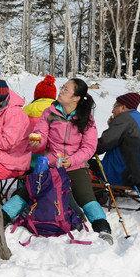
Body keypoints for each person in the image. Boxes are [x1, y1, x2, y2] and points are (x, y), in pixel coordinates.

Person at [30, 78, 113, 244]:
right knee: (28, 192)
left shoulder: (86, 119)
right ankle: (4, 218)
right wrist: (37, 142)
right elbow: (41, 134)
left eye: (66, 89)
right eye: (63, 87)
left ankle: (102, 228)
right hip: (51, 163)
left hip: (75, 165)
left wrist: (72, 160)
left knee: (86, 197)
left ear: (76, 97)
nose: (61, 90)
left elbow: (89, 147)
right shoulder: (50, 112)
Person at [95, 92, 140, 188]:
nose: (112, 111)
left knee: (90, 167)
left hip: (135, 176)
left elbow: (105, 143)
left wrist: (84, 150)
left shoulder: (124, 118)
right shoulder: (138, 118)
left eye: (115, 106)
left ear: (123, 107)